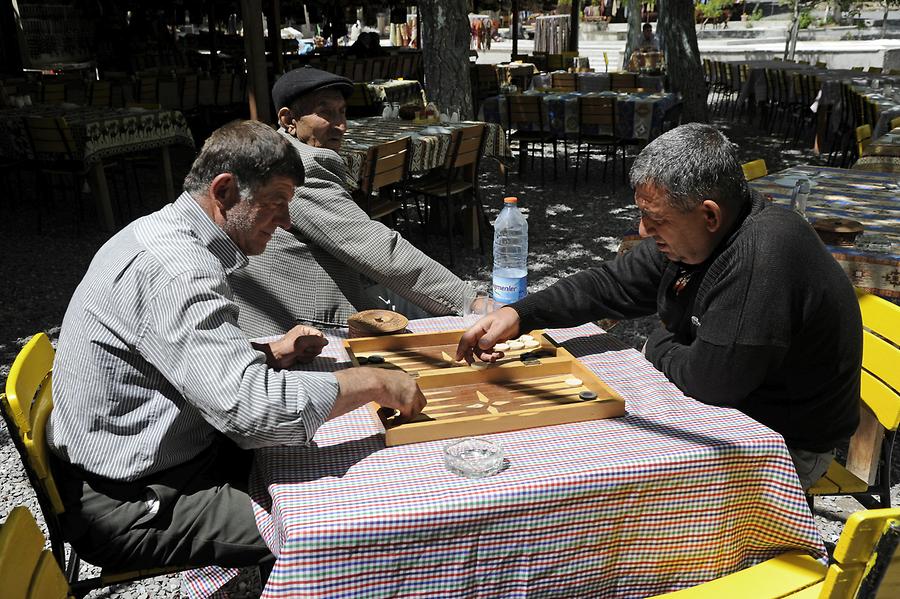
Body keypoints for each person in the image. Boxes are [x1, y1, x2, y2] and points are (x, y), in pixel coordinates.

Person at [46, 120, 426, 573]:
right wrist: (373, 382)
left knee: (323, 457)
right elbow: (254, 416)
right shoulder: (179, 268)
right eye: (277, 202)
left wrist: (267, 354)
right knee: (356, 526)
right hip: (133, 503)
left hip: (141, 459)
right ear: (225, 192)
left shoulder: (162, 233)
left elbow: (173, 356)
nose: (286, 221)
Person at [456, 123, 862, 491]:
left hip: (782, 445)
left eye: (655, 220)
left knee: (609, 482)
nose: (643, 231)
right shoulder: (696, 239)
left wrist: (658, 344)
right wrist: (522, 314)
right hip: (731, 411)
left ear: (709, 215)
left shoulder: (762, 254)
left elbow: (711, 383)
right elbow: (609, 283)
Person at [229, 67, 475, 337]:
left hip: (292, 304)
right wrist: (470, 302)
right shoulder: (300, 168)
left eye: (343, 112)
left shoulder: (279, 153)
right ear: (288, 120)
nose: (342, 126)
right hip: (303, 323)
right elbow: (379, 249)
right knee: (451, 331)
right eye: (326, 113)